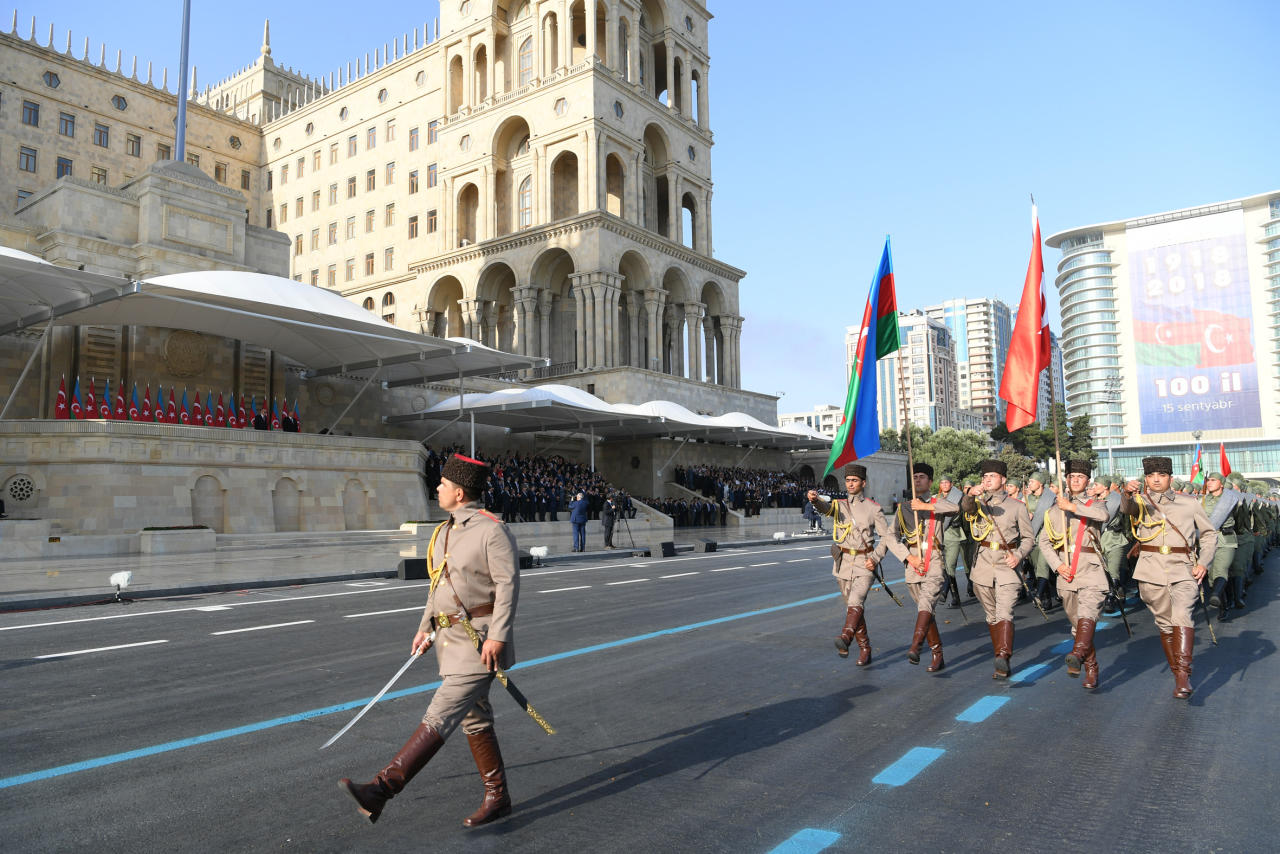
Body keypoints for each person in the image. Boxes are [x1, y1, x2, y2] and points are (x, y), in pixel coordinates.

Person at [340, 454, 520, 826]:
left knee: (440, 714)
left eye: (442, 484)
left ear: (459, 492)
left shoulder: (492, 531)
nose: (436, 488)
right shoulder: (443, 532)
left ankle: (380, 790)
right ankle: (498, 796)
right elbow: (438, 587)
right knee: (475, 719)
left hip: (480, 642)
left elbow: (508, 586)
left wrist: (499, 636)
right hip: (450, 642)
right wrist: (426, 627)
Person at [1119, 456, 1217, 699]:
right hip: (1151, 570)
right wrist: (1126, 493)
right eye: (1151, 476)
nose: (1156, 480)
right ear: (1145, 479)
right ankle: (1178, 673)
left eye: (1161, 475)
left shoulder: (1189, 503)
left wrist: (1204, 562)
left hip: (1183, 568)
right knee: (1165, 624)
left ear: (1170, 478)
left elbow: (1208, 534)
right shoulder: (1141, 502)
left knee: (1182, 615)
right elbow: (1127, 509)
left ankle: (1183, 676)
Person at [806, 464, 893, 666]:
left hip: (865, 563)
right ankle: (865, 648)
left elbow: (887, 537)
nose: (850, 484)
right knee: (854, 608)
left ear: (863, 483)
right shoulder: (840, 505)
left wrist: (876, 558)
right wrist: (815, 500)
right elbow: (826, 509)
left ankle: (846, 637)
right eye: (848, 480)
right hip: (843, 563)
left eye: (854, 480)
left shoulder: (873, 508)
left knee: (856, 601)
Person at [1037, 460, 1109, 689]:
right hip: (1066, 574)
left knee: (1088, 614)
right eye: (1071, 476)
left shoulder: (1096, 504)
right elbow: (1044, 542)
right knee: (1078, 625)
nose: (1075, 480)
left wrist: (1073, 508)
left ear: (1088, 481)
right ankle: (1091, 665)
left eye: (1080, 476)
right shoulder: (1053, 511)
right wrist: (1057, 565)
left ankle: (1077, 655)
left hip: (1091, 570)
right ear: (1065, 480)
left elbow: (1103, 516)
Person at [961, 460, 1034, 679]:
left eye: (992, 476)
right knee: (991, 616)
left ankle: (1003, 656)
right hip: (983, 565)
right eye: (985, 476)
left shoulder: (1017, 506)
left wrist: (1018, 555)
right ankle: (1000, 656)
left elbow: (1029, 538)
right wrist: (970, 495)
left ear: (1003, 479)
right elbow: (966, 508)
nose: (987, 480)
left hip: (1006, 565)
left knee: (1005, 612)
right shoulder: (978, 503)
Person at [888, 463, 959, 672]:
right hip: (913, 563)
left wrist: (926, 507)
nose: (918, 480)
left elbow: (956, 508)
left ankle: (916, 646)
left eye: (922, 477)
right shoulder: (904, 508)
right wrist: (908, 557)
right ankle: (938, 653)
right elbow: (891, 537)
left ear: (930, 481)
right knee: (925, 610)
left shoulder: (938, 503)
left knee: (926, 604)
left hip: (934, 559)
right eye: (915, 477)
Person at [1201, 472, 1243, 619]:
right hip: (1208, 541)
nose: (1209, 482)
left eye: (1213, 480)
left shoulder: (1231, 499)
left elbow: (1239, 517)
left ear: (1221, 483)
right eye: (1208, 480)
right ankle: (1224, 605)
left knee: (1221, 569)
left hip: (1226, 540)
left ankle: (1217, 597)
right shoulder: (1202, 500)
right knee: (1212, 577)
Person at [1024, 473, 1058, 610]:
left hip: (1047, 537)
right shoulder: (1027, 499)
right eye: (1029, 481)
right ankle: (1047, 599)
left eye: (1032, 481)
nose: (1029, 484)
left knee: (1043, 566)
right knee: (1037, 568)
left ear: (1041, 483)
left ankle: (1038, 595)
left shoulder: (1051, 498)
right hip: (1033, 537)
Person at [935, 476, 966, 608]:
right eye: (942, 482)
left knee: (950, 566)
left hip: (953, 534)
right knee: (944, 567)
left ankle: (944, 591)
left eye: (946, 482)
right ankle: (955, 598)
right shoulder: (936, 498)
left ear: (951, 484)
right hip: (940, 535)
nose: (944, 485)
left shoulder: (958, 496)